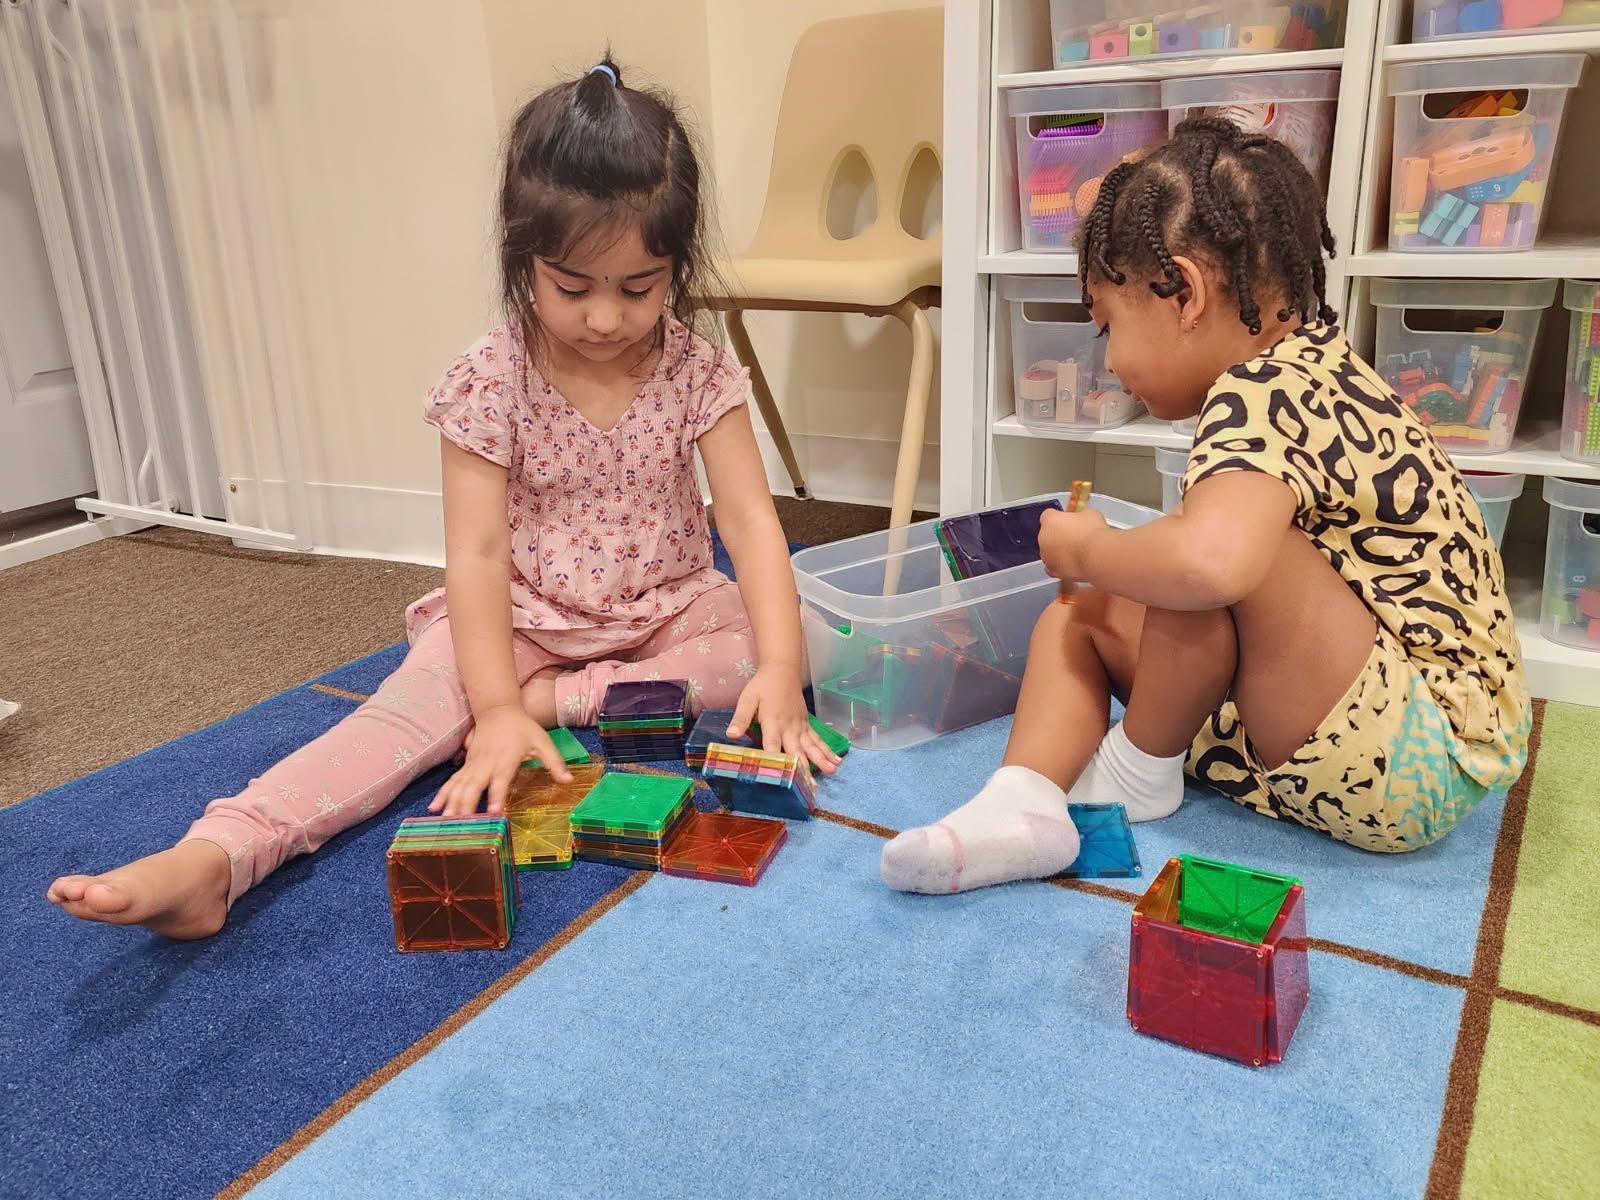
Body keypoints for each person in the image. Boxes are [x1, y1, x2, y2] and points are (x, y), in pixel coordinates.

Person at [48, 57, 837, 938]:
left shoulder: (697, 368)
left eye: (639, 288)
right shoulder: (488, 379)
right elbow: (477, 555)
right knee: (398, 719)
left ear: (676, 269)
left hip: (667, 610)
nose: (606, 318)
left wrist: (772, 670)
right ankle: (221, 855)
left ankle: (566, 701)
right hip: (520, 619)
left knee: (791, 649)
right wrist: (495, 705)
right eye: (573, 287)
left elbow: (752, 522)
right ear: (523, 259)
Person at [881, 117, 1531, 895]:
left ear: (1183, 293)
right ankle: (1022, 800)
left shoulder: (1262, 391)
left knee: (1194, 559)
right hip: (1352, 725)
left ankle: (1136, 772)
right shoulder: (1311, 361)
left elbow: (1213, 565)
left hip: (1418, 745)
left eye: (1108, 324)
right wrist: (1113, 575)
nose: (1109, 361)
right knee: (1081, 617)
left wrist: (1085, 550)